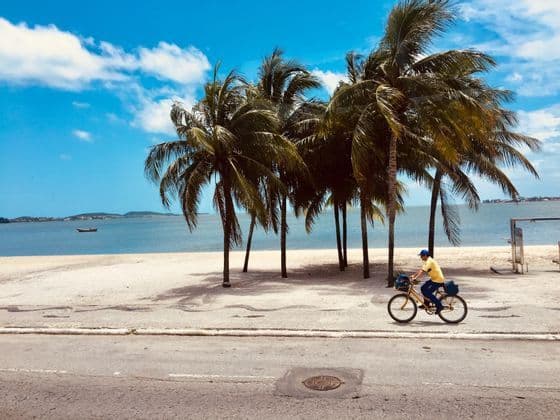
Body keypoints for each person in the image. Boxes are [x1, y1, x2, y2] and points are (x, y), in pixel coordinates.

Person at [411, 249, 444, 314]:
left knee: (428, 293)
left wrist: (415, 278)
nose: (421, 257)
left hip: (438, 280)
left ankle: (439, 306)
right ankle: (426, 304)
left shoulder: (429, 261)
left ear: (425, 255)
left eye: (422, 256)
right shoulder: (427, 261)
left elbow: (423, 271)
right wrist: (413, 275)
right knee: (423, 288)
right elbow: (421, 269)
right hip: (434, 279)